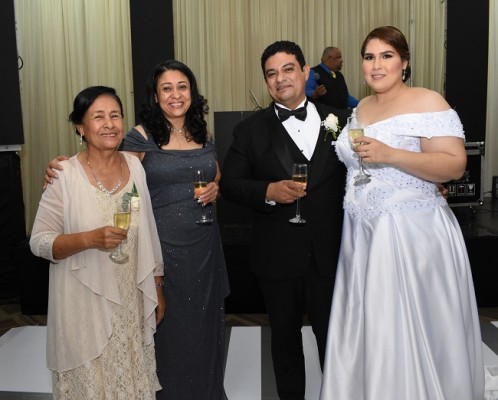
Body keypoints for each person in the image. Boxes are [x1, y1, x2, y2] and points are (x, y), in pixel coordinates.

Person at [44, 61, 229, 400]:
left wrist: (215, 188)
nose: (176, 94)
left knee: (205, 329)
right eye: (167, 88)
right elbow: (110, 172)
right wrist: (62, 170)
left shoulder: (205, 133)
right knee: (170, 332)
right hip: (164, 250)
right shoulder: (140, 137)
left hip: (204, 248)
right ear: (156, 97)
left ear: (193, 92)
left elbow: (213, 173)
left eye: (183, 86)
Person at [319, 26, 484, 400]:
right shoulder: (360, 107)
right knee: (375, 329)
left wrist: (392, 155)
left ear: (405, 63)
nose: (376, 65)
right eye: (369, 56)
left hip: (410, 236)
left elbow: (455, 165)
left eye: (387, 56)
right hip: (363, 236)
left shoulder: (427, 101)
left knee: (408, 327)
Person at [219, 40, 347, 400]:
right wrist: (268, 192)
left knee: (336, 342)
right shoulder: (250, 130)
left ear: (306, 71)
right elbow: (230, 185)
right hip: (276, 258)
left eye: (288, 69)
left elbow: (361, 173)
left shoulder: (338, 119)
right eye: (271, 74)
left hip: (330, 254)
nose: (280, 79)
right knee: (285, 344)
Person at [30, 86, 165, 399]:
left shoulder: (134, 168)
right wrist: (89, 239)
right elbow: (39, 241)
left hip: (129, 293)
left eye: (115, 115)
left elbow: (146, 228)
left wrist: (157, 286)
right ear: (80, 127)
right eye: (98, 117)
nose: (109, 124)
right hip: (83, 302)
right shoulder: (64, 174)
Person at [305, 46, 359, 111]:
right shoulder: (313, 73)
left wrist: (361, 104)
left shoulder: (339, 75)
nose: (342, 60)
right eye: (338, 57)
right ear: (329, 59)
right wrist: (315, 94)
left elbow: (345, 97)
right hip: (324, 118)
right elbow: (305, 92)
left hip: (343, 117)